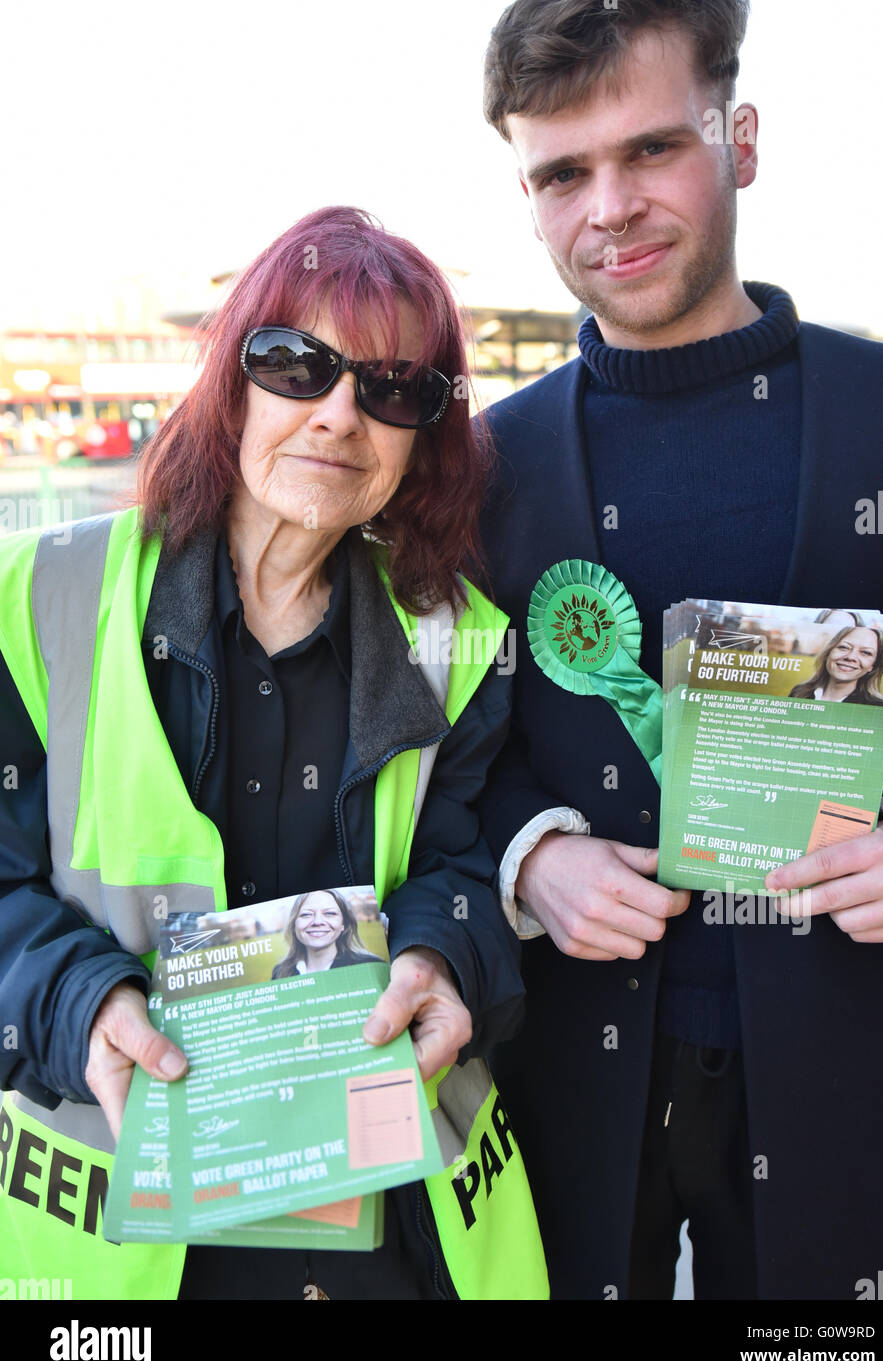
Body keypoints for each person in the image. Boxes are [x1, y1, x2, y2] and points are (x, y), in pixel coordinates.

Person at [0, 206, 547, 1301]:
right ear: (232, 380)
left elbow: (462, 867)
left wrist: (444, 958)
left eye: (395, 389)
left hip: (392, 1233)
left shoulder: (463, 642)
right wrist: (81, 1004)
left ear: (422, 436)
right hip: (128, 1248)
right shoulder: (37, 598)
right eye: (296, 363)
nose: (341, 413)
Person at [477, 0, 883, 1300]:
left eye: (650, 150)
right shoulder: (478, 466)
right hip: (569, 1089)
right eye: (562, 172)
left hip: (856, 1089)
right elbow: (432, 756)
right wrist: (530, 855)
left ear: (739, 139)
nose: (606, 206)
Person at [270, 889, 384, 975]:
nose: (317, 922)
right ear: (294, 925)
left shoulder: (370, 966)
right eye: (306, 914)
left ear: (343, 924)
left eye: (330, 913)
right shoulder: (280, 972)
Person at [789, 626, 883, 705]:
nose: (851, 657)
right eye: (844, 647)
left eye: (865, 652)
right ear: (828, 652)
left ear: (873, 666)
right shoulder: (799, 692)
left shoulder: (881, 709)